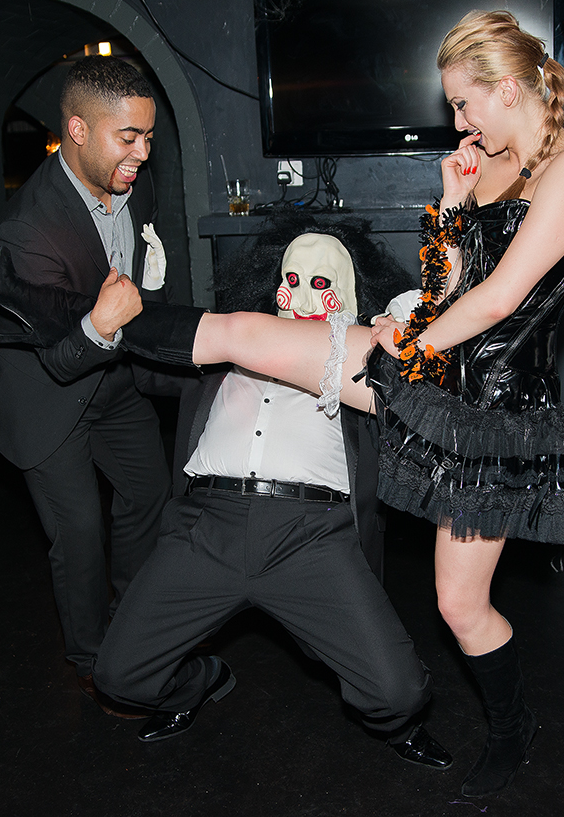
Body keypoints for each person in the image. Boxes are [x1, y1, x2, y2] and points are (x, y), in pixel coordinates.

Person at [0, 10, 564, 798]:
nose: (458, 122)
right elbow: (452, 285)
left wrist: (404, 348)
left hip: (492, 409)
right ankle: (92, 319)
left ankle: (513, 729)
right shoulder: (484, 167)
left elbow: (498, 302)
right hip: (433, 370)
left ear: (509, 89)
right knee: (245, 334)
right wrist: (453, 204)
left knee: (460, 605)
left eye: (464, 103)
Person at [91, 216, 451, 768]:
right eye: (292, 278)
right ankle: (198, 684)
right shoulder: (233, 346)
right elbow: (149, 370)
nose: (302, 294)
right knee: (117, 676)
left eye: (321, 282)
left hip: (311, 537)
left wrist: (402, 325)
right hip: (206, 526)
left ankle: (397, 726)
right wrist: (153, 292)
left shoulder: (362, 366)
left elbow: (429, 391)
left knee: (399, 692)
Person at [0, 55, 172, 718]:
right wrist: (102, 321)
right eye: (129, 137)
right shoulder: (27, 229)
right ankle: (94, 661)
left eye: (148, 136)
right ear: (77, 131)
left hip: (113, 379)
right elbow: (60, 359)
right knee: (80, 529)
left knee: (148, 489)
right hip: (46, 390)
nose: (143, 153)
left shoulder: (134, 181)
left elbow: (136, 265)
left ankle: (134, 623)